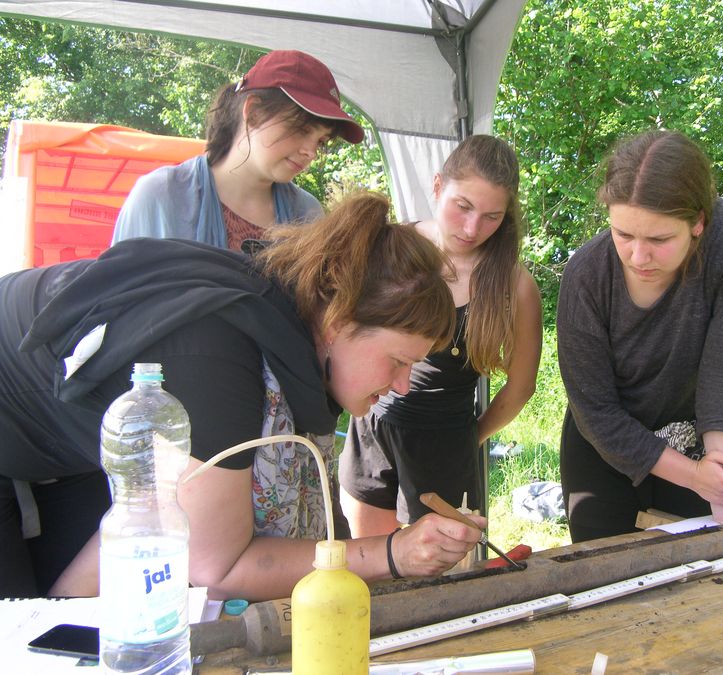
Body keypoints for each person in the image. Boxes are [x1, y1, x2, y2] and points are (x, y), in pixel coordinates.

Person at [0, 192, 486, 600]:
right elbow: (218, 566)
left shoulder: (291, 340)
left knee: (83, 619)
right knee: (22, 628)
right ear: (339, 322)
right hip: (16, 428)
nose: (402, 386)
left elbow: (151, 514)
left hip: (65, 453)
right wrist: (393, 555)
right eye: (398, 361)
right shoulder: (218, 352)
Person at [557, 129, 723, 543]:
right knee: (606, 580)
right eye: (623, 235)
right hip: (605, 444)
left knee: (701, 576)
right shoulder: (585, 276)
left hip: (700, 435)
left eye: (659, 239)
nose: (639, 257)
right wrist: (693, 476)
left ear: (698, 221)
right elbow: (596, 412)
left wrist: (721, 489)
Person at [339, 135, 543, 535]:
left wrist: (470, 438)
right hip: (372, 429)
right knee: (368, 563)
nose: (471, 228)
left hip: (445, 444)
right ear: (437, 187)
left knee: (439, 579)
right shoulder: (392, 248)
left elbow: (521, 388)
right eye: (462, 206)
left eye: (491, 216)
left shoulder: (515, 286)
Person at [111, 49, 364, 251]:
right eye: (302, 129)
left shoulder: (308, 215)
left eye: (322, 141)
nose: (311, 151)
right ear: (253, 112)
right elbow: (118, 303)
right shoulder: (163, 196)